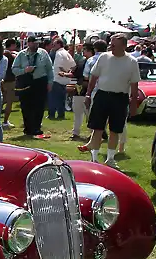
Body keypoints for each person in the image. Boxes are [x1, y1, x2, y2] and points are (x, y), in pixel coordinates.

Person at [77, 34, 140, 169]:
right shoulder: (104, 57)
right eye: (110, 44)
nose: (111, 47)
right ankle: (94, 158)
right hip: (102, 95)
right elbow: (94, 77)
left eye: (114, 45)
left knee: (115, 130)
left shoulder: (131, 62)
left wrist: (133, 103)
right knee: (97, 127)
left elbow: (135, 84)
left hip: (120, 98)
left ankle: (110, 159)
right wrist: (88, 95)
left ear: (124, 46)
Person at [12, 35, 54, 138]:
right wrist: (24, 70)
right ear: (29, 43)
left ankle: (36, 127)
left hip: (40, 81)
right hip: (26, 82)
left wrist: (50, 82)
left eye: (37, 43)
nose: (36, 45)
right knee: (26, 106)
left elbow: (49, 69)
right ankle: (28, 128)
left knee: (39, 105)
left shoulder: (43, 53)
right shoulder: (21, 55)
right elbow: (14, 69)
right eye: (34, 43)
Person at [60, 43, 95, 140]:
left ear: (89, 50)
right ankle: (75, 133)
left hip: (91, 91)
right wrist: (67, 76)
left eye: (85, 50)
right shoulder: (81, 62)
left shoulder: (96, 62)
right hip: (79, 90)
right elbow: (74, 75)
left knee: (90, 114)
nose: (83, 51)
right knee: (77, 112)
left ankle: (94, 134)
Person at [49, 38, 76, 120]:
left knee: (53, 98)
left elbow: (59, 66)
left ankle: (52, 115)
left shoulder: (59, 53)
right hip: (64, 80)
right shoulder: (66, 53)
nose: (53, 46)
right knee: (61, 98)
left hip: (57, 78)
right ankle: (61, 115)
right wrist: (68, 72)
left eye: (54, 44)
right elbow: (74, 65)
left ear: (59, 44)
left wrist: (64, 73)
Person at [1, 39, 18, 129]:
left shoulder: (2, 54)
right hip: (10, 80)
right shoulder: (10, 55)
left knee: (3, 100)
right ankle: (5, 122)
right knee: (9, 101)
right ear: (11, 45)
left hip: (3, 80)